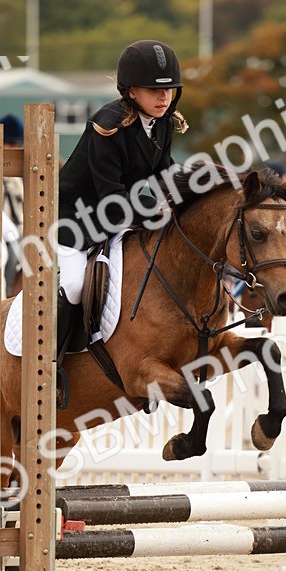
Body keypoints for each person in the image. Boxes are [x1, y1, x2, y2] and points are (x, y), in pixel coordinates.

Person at [55, 39, 187, 355]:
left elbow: (166, 174)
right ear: (130, 91)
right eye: (153, 89)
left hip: (115, 214)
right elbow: (111, 197)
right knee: (74, 285)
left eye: (168, 89)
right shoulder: (107, 126)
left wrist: (200, 189)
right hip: (74, 219)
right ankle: (51, 362)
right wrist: (151, 211)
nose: (163, 96)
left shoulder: (163, 123)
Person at [0, 113, 25, 295]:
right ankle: (6, 291)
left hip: (22, 227)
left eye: (15, 145)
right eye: (8, 144)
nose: (12, 149)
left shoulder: (21, 174)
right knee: (11, 250)